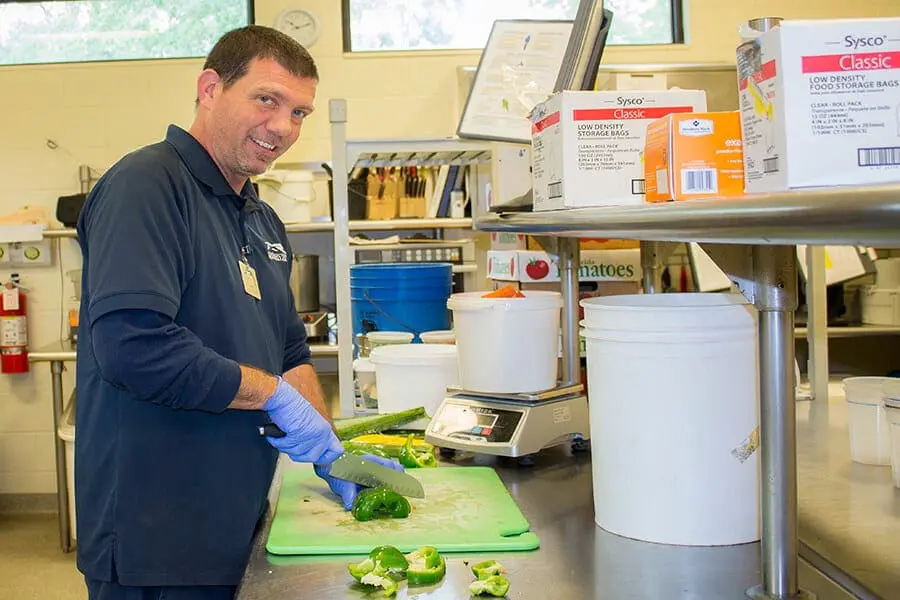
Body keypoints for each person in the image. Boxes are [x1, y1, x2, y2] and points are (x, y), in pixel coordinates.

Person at [74, 25, 401, 600]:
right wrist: (273, 395)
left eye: (300, 112)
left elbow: (289, 350)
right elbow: (133, 346)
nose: (283, 127)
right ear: (209, 88)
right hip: (158, 538)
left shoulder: (260, 218)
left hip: (238, 525)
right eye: (266, 99)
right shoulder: (146, 185)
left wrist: (331, 450)